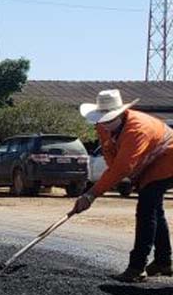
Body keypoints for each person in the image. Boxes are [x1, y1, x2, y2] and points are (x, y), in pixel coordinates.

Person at [72, 89, 173, 283]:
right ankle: (163, 261)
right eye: (103, 119)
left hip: (168, 161)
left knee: (146, 209)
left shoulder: (137, 130)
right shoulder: (103, 126)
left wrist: (91, 194)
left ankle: (136, 267)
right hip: (152, 163)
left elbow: (123, 167)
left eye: (110, 119)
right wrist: (108, 182)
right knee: (154, 209)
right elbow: (112, 157)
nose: (106, 123)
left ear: (121, 113)